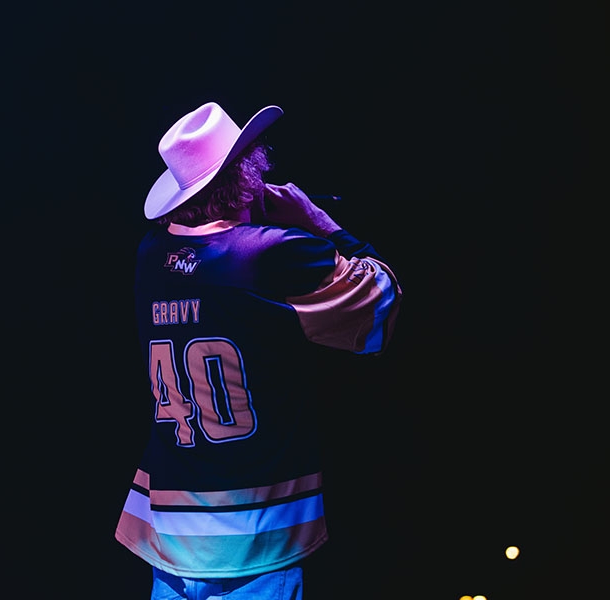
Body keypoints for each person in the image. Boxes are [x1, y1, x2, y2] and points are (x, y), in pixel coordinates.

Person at [115, 101, 402, 599]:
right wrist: (319, 221)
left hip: (168, 530)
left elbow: (206, 262)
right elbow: (381, 302)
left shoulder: (149, 255)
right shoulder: (271, 252)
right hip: (253, 540)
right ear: (245, 175)